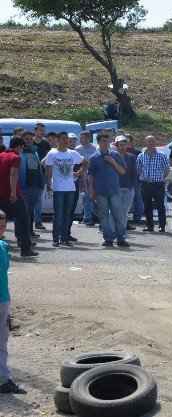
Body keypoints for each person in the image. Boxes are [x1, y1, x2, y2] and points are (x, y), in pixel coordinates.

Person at [0, 210, 27, 395]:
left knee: (2, 340)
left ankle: (3, 380)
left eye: (3, 227)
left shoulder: (3, 246)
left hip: (3, 299)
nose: (1, 230)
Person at [45, 134, 88, 246]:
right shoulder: (52, 153)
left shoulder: (72, 153)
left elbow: (86, 163)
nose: (65, 141)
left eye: (67, 139)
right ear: (58, 140)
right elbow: (48, 171)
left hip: (70, 188)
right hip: (58, 188)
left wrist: (79, 173)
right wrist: (49, 187)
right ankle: (55, 239)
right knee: (58, 214)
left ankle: (64, 238)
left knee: (67, 214)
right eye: (63, 138)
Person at [88, 133, 128, 247]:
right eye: (104, 141)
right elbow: (90, 176)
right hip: (101, 192)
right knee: (103, 217)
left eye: (107, 141)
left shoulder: (115, 155)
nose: (106, 143)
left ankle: (121, 239)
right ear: (98, 142)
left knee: (118, 216)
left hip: (114, 191)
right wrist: (91, 191)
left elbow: (123, 171)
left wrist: (112, 161)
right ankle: (108, 239)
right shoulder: (94, 158)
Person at [0, 138, 38, 257]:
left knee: (2, 220)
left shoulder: (1, 155)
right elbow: (13, 173)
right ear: (20, 147)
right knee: (23, 219)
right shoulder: (15, 157)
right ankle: (25, 249)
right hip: (11, 193)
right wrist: (13, 193)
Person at [137, 136, 170, 233]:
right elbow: (138, 170)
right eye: (149, 141)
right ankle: (149, 226)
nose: (150, 143)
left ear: (155, 143)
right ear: (145, 143)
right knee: (147, 206)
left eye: (152, 141)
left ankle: (162, 226)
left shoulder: (162, 155)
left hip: (157, 184)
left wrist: (160, 178)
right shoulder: (141, 156)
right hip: (145, 184)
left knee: (160, 205)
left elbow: (167, 169)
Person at [18, 132, 43, 238]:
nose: (28, 141)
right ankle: (22, 234)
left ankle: (29, 231)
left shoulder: (34, 151)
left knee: (31, 211)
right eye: (26, 139)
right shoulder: (19, 152)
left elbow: (39, 168)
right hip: (24, 186)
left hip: (35, 186)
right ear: (22, 139)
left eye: (30, 139)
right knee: (23, 211)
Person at [114, 136, 139, 232]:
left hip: (128, 188)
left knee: (124, 213)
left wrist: (132, 186)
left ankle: (121, 232)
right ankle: (113, 231)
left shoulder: (131, 157)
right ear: (116, 146)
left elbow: (134, 172)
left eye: (125, 145)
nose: (123, 147)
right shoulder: (112, 156)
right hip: (115, 189)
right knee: (114, 212)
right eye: (121, 145)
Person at [74, 131, 98, 226]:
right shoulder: (77, 149)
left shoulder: (95, 149)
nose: (80, 139)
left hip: (92, 177)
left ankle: (87, 217)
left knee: (88, 197)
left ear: (88, 138)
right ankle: (87, 217)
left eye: (82, 137)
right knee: (86, 197)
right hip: (81, 177)